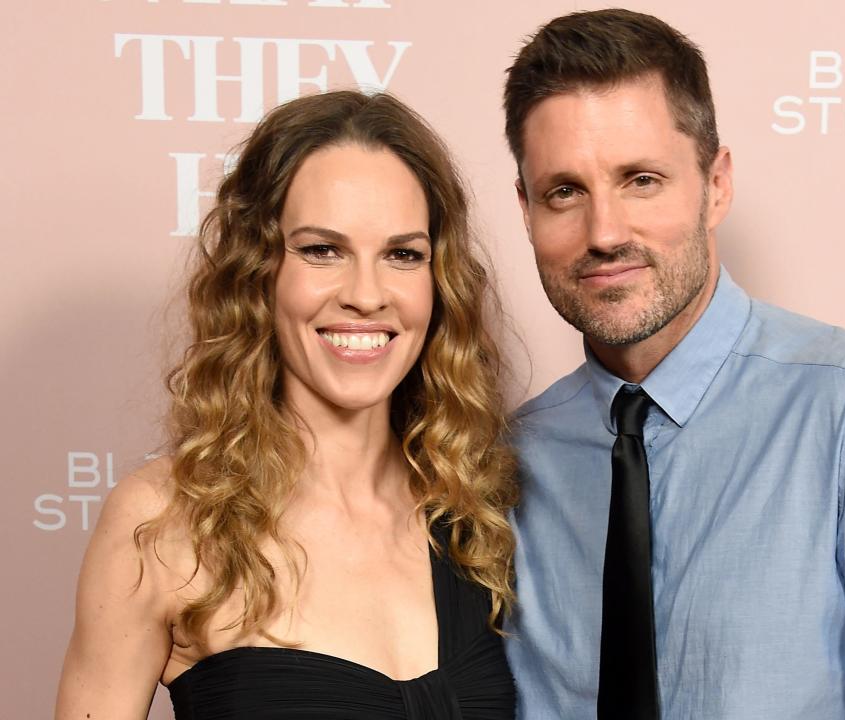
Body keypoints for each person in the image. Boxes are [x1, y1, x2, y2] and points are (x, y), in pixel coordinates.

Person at [502, 8, 845, 719]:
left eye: (641, 179)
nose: (605, 232)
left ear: (715, 185)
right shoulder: (508, 459)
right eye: (565, 191)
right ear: (526, 210)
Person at [55, 90, 517, 720]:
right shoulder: (162, 523)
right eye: (322, 250)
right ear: (259, 271)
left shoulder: (479, 514)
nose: (365, 294)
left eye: (402, 254)